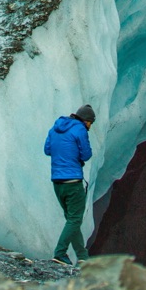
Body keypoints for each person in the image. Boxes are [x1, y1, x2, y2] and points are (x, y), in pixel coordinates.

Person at [44, 104, 95, 264]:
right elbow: (86, 154)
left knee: (72, 219)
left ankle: (82, 256)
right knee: (74, 219)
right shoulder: (80, 130)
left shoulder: (55, 128)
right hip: (73, 181)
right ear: (86, 120)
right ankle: (60, 253)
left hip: (57, 182)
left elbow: (47, 150)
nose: (90, 126)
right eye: (90, 123)